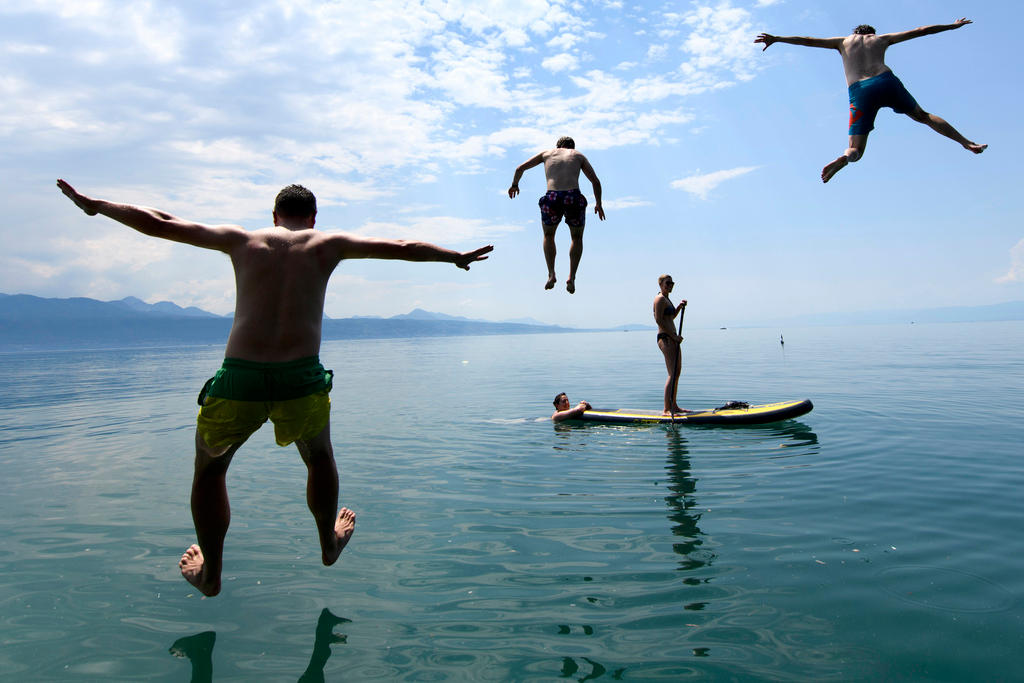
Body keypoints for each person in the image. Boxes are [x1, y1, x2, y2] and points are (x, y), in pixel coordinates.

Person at [57, 179, 493, 597]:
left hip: (239, 377)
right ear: (314, 217)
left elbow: (162, 222)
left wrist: (98, 206)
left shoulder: (242, 239)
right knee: (319, 457)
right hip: (300, 377)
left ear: (274, 215)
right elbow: (402, 248)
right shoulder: (328, 244)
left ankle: (211, 573)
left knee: (210, 470)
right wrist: (455, 256)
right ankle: (327, 543)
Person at [755, 19, 987, 183]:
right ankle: (967, 143)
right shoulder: (881, 39)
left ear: (855, 32)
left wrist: (778, 38)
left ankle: (845, 158)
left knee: (856, 148)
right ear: (871, 33)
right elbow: (922, 30)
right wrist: (953, 26)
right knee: (923, 117)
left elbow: (808, 40)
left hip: (860, 91)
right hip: (886, 81)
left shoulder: (842, 41)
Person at [508, 136, 605, 293]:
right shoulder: (578, 155)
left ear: (558, 146)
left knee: (548, 235)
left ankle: (551, 274)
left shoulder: (547, 153)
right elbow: (596, 182)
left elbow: (519, 168)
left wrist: (514, 185)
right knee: (577, 237)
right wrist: (599, 204)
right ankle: (572, 277)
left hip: (552, 197)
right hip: (573, 197)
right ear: (572, 147)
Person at [654, 274, 688, 416]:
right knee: (672, 373)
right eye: (667, 283)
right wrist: (673, 336)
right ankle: (667, 409)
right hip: (666, 338)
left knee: (677, 372)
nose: (670, 285)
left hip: (673, 338)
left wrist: (679, 307)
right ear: (661, 284)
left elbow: (671, 316)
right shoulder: (659, 299)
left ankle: (674, 405)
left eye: (672, 283)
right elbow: (659, 320)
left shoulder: (667, 299)